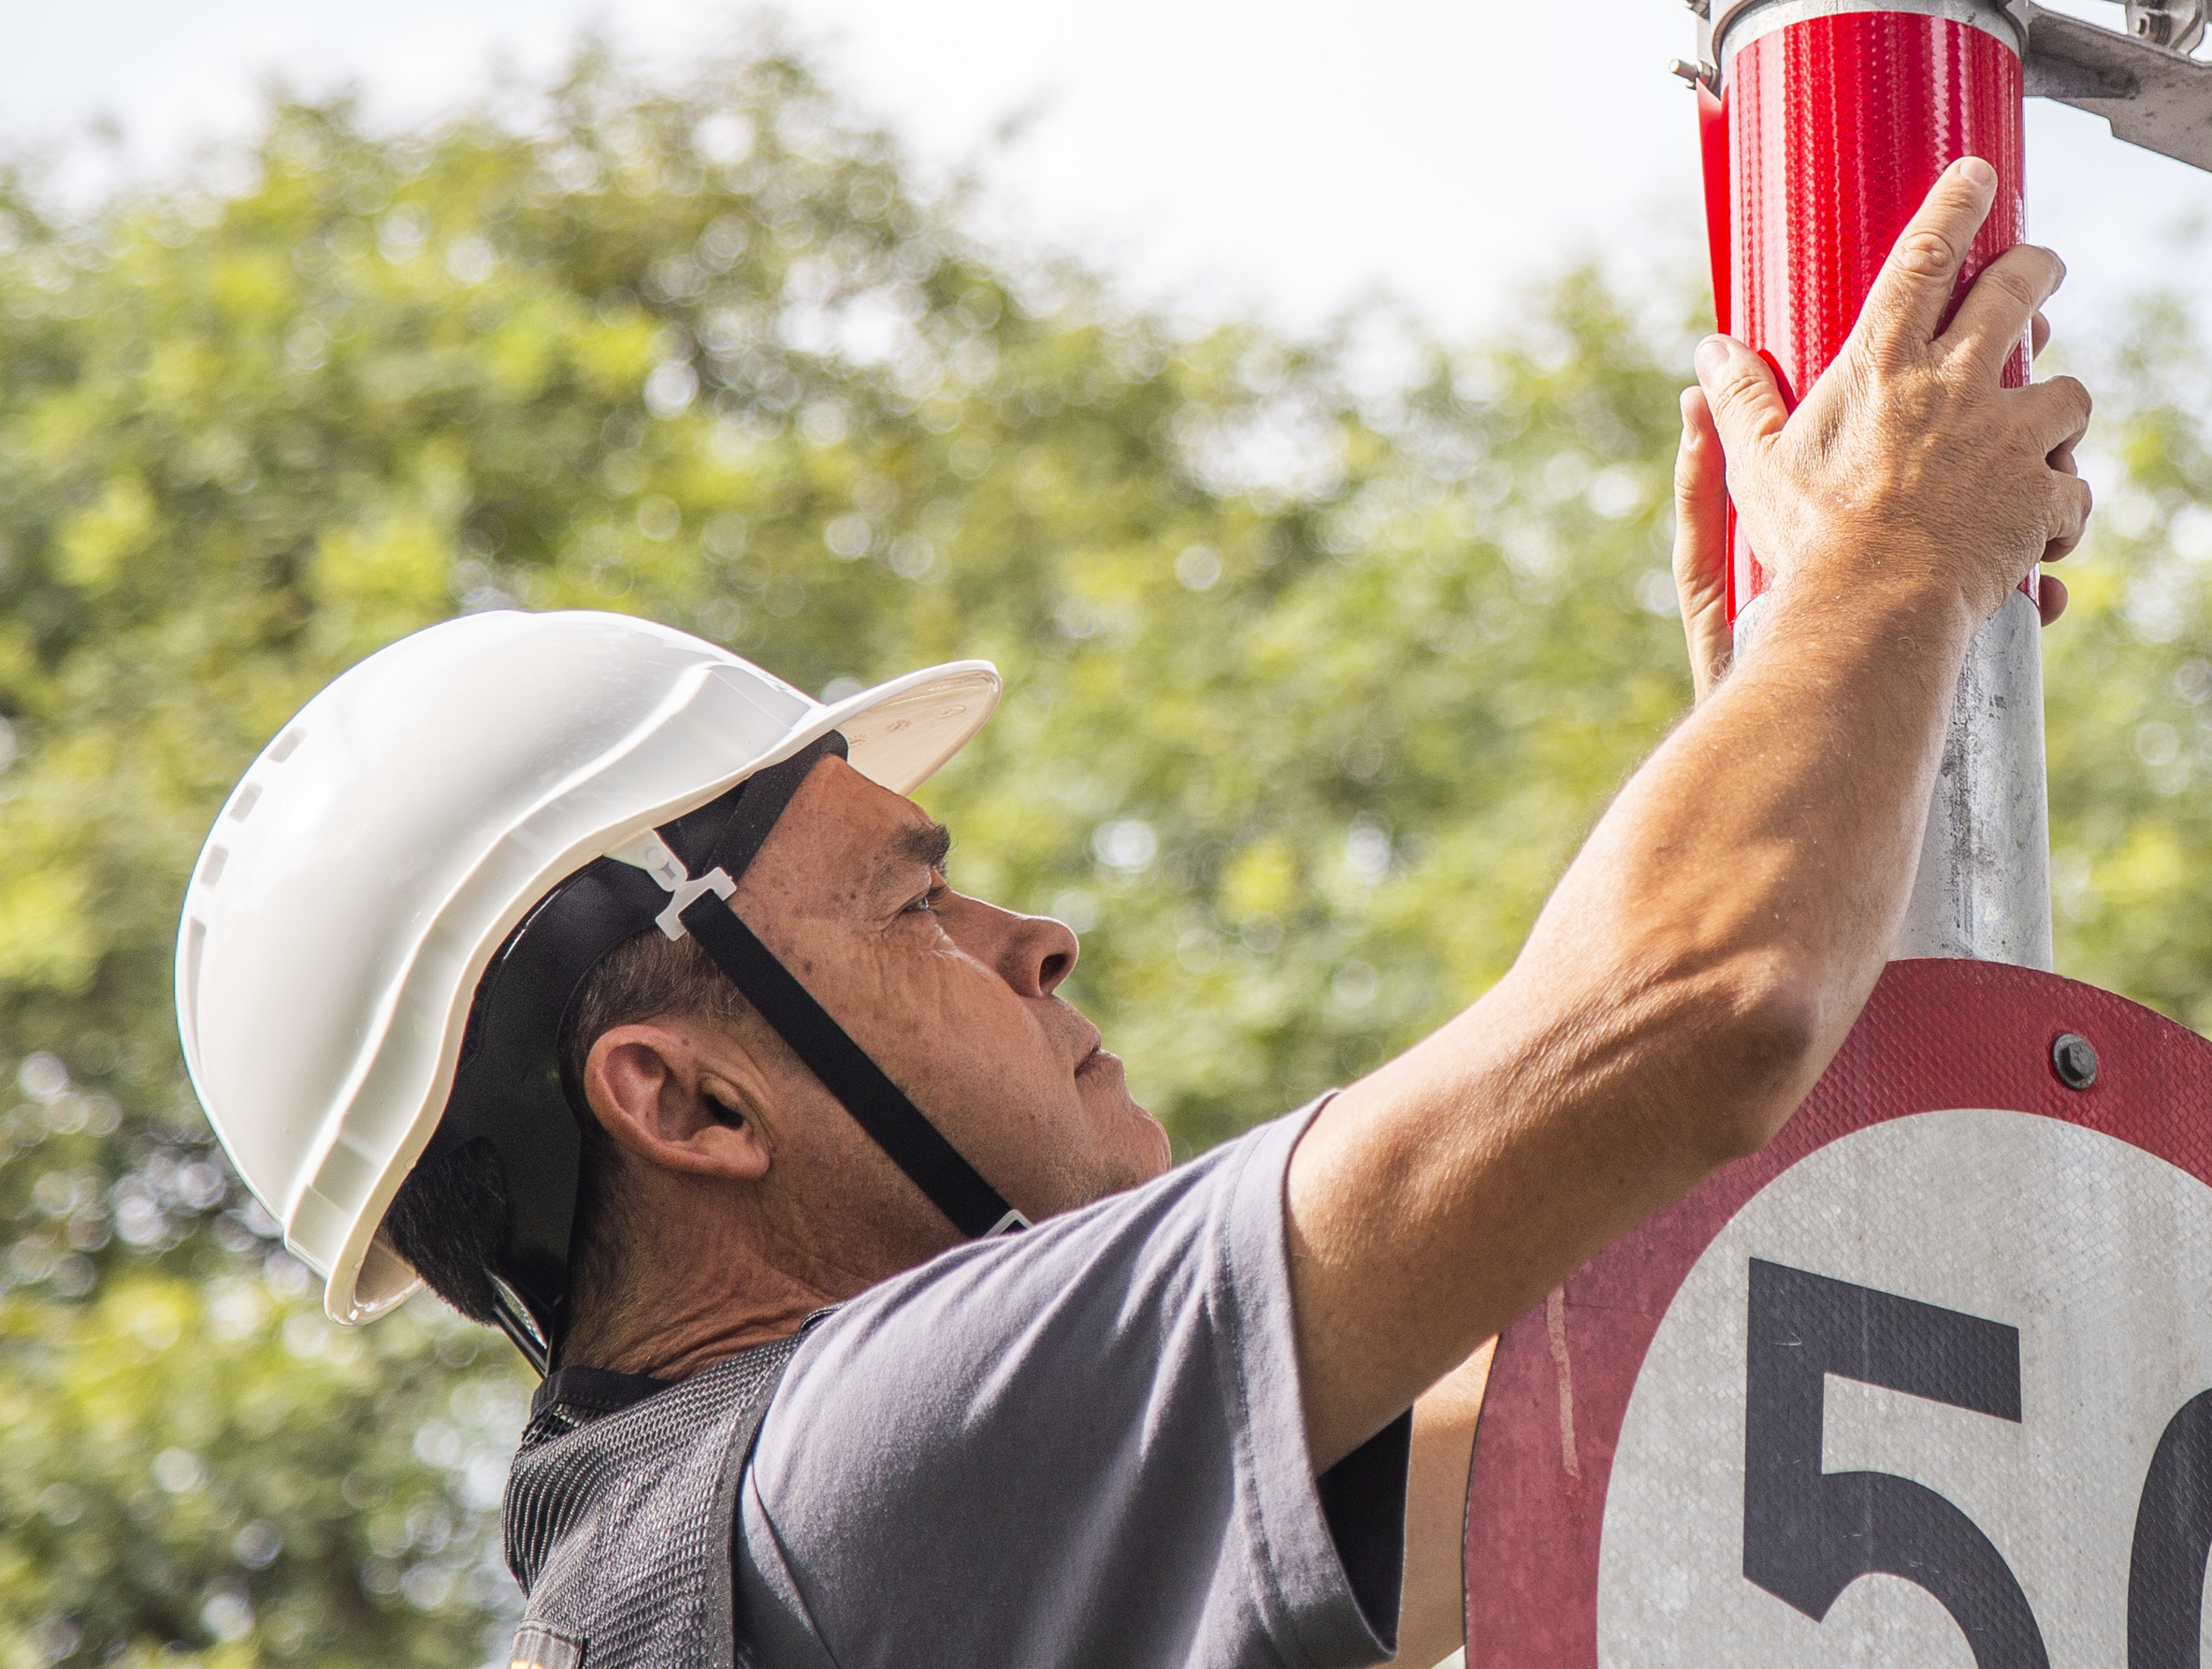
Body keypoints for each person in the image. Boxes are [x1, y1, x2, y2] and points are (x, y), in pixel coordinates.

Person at [169, 161, 2089, 1669]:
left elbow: (1685, 1383)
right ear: (685, 1101)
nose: (1036, 936)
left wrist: (1801, 719)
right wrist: (1888, 556)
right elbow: (1702, 1007)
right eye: (911, 897)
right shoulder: (866, 1467)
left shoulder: (729, 1572)